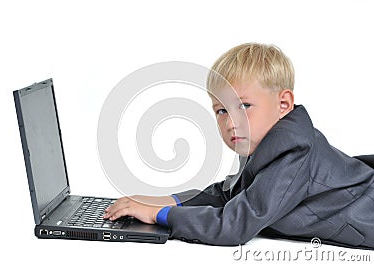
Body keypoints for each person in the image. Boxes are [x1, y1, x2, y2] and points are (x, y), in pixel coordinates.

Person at [103, 43, 374, 249]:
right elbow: (230, 194)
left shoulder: (295, 153)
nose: (232, 122)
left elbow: (236, 224)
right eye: (221, 110)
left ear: (283, 104)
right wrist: (171, 200)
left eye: (244, 106)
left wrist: (161, 216)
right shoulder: (268, 142)